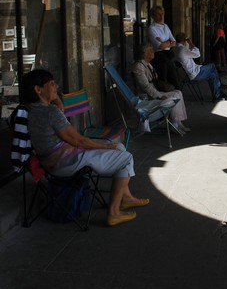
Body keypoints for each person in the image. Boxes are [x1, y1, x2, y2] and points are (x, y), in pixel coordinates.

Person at [22, 69, 147, 227]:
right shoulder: (49, 112)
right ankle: (114, 212)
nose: (56, 87)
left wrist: (57, 101)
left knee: (120, 146)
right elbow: (78, 141)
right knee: (126, 158)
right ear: (38, 89)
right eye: (52, 84)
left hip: (51, 162)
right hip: (67, 162)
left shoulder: (30, 110)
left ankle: (126, 197)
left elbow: (58, 123)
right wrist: (106, 146)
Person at [131, 42, 190, 134]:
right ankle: (174, 123)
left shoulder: (148, 64)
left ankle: (178, 122)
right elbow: (145, 86)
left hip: (153, 92)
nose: (153, 51)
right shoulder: (138, 66)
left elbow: (155, 80)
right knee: (174, 95)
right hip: (146, 97)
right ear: (144, 54)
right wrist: (159, 95)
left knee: (178, 92)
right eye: (150, 50)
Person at [174, 32, 227, 102]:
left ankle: (217, 94)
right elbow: (197, 54)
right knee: (212, 66)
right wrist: (191, 43)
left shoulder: (175, 49)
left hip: (187, 74)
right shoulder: (182, 49)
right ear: (184, 40)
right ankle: (219, 86)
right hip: (194, 73)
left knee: (212, 75)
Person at [147, 6, 180, 89]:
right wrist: (169, 42)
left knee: (174, 80)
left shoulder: (165, 26)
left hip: (168, 56)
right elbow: (159, 46)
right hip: (159, 57)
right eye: (158, 14)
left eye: (162, 14)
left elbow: (174, 42)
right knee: (164, 80)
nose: (161, 16)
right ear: (153, 16)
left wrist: (164, 43)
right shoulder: (152, 28)